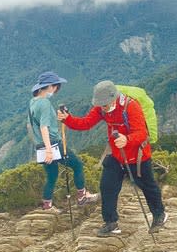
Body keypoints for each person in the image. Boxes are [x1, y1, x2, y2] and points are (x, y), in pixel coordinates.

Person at [57, 80, 167, 237]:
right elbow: (85, 123)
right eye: (100, 105)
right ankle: (111, 223)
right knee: (107, 187)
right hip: (117, 155)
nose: (102, 108)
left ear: (113, 97)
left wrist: (127, 140)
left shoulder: (131, 106)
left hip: (137, 156)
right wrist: (67, 119)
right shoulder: (101, 108)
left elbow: (142, 133)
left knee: (148, 186)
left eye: (104, 104)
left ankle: (159, 215)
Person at [29, 71, 98, 211]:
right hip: (53, 145)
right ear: (49, 86)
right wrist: (49, 150)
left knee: (52, 175)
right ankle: (82, 196)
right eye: (56, 87)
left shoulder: (33, 102)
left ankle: (47, 205)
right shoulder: (44, 103)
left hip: (40, 146)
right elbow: (44, 127)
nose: (56, 90)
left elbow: (33, 125)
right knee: (77, 165)